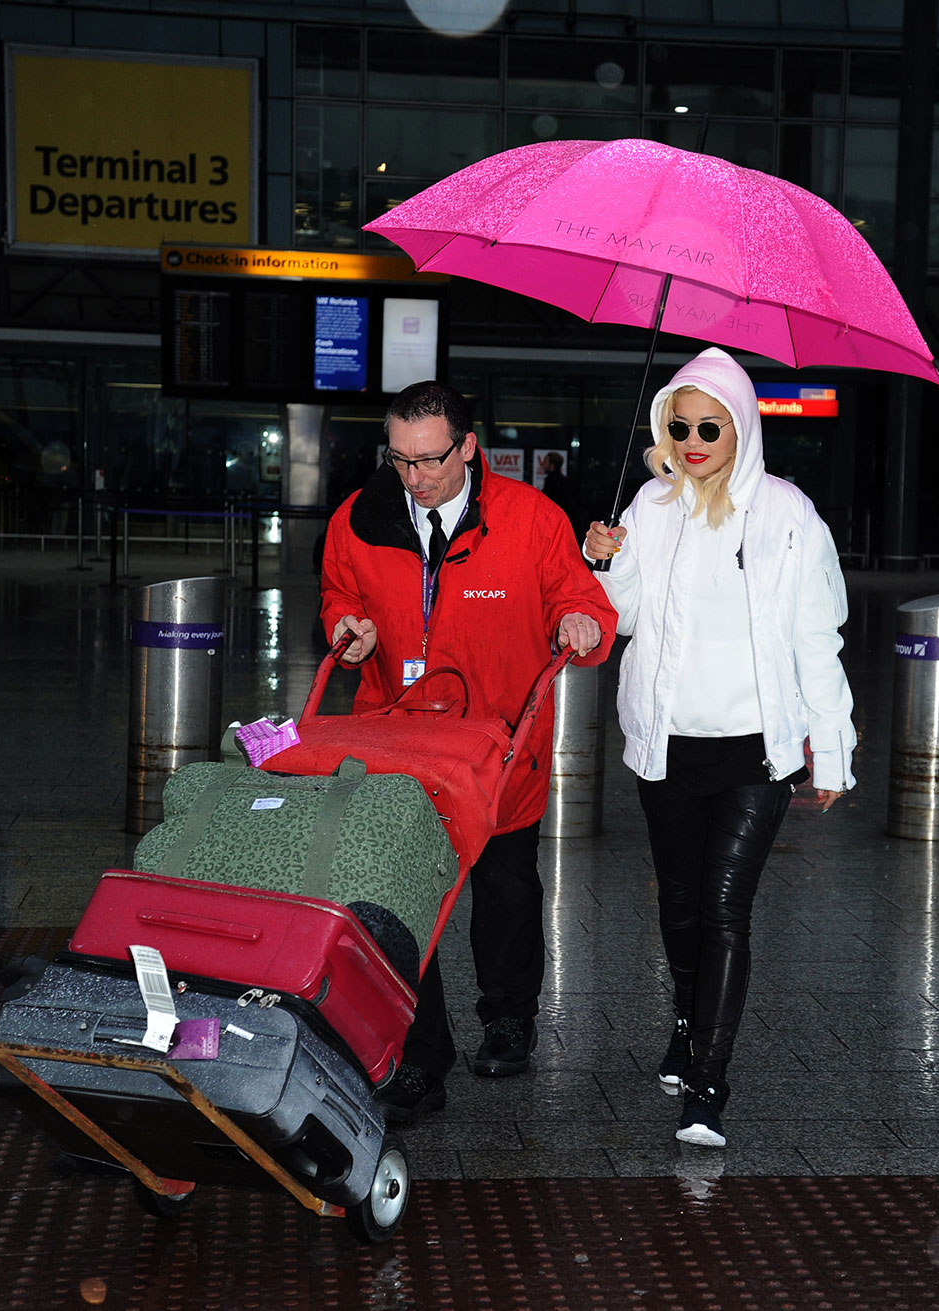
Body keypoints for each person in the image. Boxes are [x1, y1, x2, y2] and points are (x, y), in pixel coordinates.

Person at [320, 380, 618, 1124]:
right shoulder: (359, 521)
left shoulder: (530, 520)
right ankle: (421, 1057)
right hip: (399, 743)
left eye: (430, 460)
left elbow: (579, 599)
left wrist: (580, 623)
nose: (414, 478)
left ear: (469, 448)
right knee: (397, 899)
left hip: (500, 748)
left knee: (507, 889)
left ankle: (510, 1018)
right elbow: (337, 597)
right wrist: (348, 629)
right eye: (400, 460)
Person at [584, 347, 856, 1149]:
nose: (695, 437)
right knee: (679, 906)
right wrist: (604, 563)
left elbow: (818, 637)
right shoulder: (650, 505)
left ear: (742, 430)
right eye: (681, 423)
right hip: (667, 743)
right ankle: (684, 1016)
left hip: (756, 753)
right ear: (664, 424)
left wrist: (832, 750)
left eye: (712, 425)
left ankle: (707, 1082)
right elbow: (620, 618)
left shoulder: (787, 515)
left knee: (725, 909)